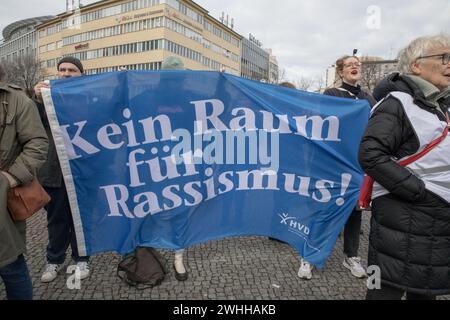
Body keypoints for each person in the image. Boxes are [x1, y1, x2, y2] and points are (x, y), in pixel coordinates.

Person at [359, 34, 450, 300]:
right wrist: (418, 191)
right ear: (416, 65)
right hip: (400, 221)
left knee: (425, 289)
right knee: (384, 287)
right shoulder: (396, 104)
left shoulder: (439, 106)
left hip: (433, 227)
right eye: (444, 57)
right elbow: (371, 154)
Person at [297, 55, 375, 280]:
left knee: (354, 211)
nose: (355, 66)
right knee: (322, 208)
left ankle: (351, 256)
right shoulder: (332, 95)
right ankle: (309, 255)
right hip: (332, 164)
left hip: (357, 165)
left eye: (357, 64)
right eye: (350, 64)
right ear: (341, 72)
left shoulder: (367, 98)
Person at [34, 57, 91, 283]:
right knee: (56, 219)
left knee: (81, 219)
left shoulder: (88, 99)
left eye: (72, 70)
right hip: (54, 173)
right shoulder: (45, 98)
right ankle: (54, 260)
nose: (66, 73)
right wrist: (37, 100)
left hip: (81, 172)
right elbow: (33, 126)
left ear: (81, 75)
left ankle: (82, 258)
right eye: (62, 70)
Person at [0, 64, 49, 299]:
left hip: (2, 202)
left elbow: (38, 143)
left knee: (9, 263)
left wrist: (10, 178)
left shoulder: (18, 100)